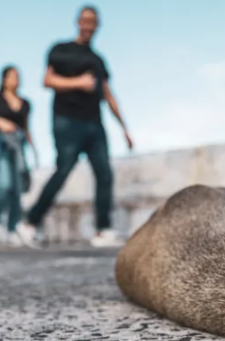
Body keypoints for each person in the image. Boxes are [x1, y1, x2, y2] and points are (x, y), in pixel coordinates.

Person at [16, 5, 133, 248]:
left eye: (93, 21)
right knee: (64, 169)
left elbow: (109, 95)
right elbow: (47, 80)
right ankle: (29, 223)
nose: (89, 25)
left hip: (95, 123)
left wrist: (124, 128)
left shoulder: (99, 60)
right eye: (85, 20)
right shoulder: (61, 50)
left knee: (104, 173)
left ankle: (102, 230)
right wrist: (78, 82)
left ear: (97, 26)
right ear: (78, 22)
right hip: (66, 121)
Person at [0, 65, 37, 246]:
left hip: (19, 146)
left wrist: (33, 148)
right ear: (4, 79)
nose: (16, 80)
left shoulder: (25, 103)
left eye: (18, 76)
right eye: (12, 76)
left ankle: (13, 227)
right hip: (2, 144)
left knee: (17, 188)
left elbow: (27, 127)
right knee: (4, 184)